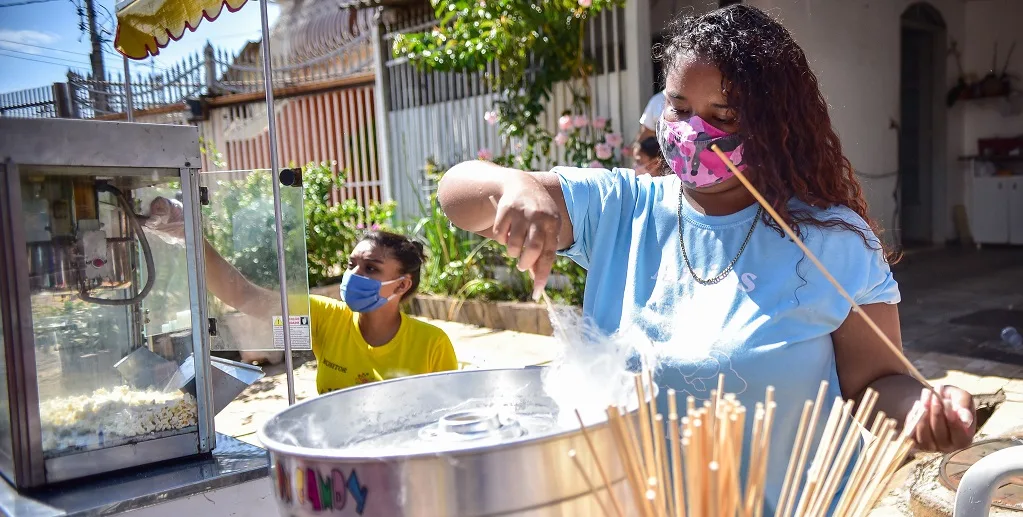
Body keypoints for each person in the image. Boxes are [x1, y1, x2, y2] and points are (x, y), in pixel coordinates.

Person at [436, 5, 975, 513]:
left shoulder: (828, 240)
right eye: (679, 107)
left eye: (725, 113)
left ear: (778, 124)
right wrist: (519, 186)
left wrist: (921, 412)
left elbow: (875, 384)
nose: (694, 131)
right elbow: (457, 194)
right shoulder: (621, 208)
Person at [147, 198, 458, 394]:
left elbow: (447, 417)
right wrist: (189, 235)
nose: (354, 275)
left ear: (402, 285)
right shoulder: (326, 318)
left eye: (371, 268)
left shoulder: (431, 343)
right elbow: (241, 294)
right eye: (351, 265)